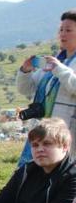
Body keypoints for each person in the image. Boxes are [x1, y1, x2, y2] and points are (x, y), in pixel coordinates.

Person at [15, 9, 76, 166]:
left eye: (68, 30)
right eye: (61, 30)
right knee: (32, 178)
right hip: (41, 131)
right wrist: (25, 71)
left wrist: (59, 69)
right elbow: (26, 89)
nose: (63, 34)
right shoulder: (53, 62)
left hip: (65, 134)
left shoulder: (57, 66)